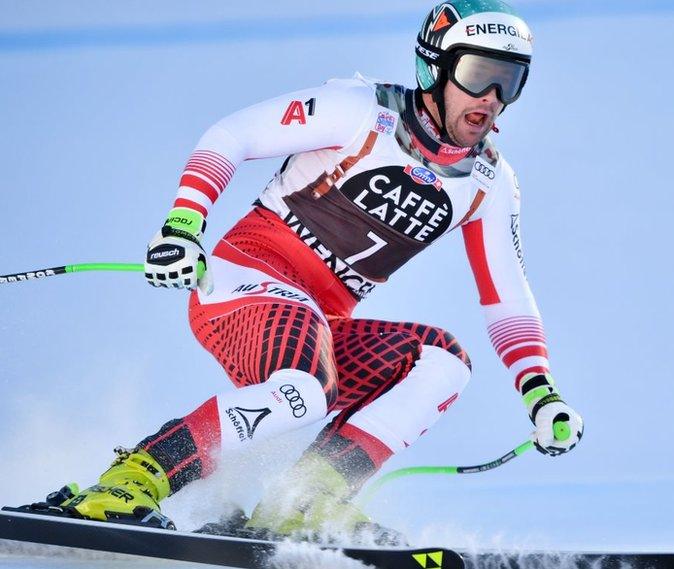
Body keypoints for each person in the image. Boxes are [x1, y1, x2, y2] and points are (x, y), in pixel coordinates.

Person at [56, 0, 583, 538]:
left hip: (318, 326)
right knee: (307, 391)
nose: (490, 100)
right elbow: (230, 136)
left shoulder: (489, 182)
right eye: (477, 76)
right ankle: (132, 479)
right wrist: (182, 227)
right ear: (435, 68)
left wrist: (540, 392)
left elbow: (507, 297)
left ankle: (303, 502)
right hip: (244, 286)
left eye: (509, 82)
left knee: (442, 363)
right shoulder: (358, 110)